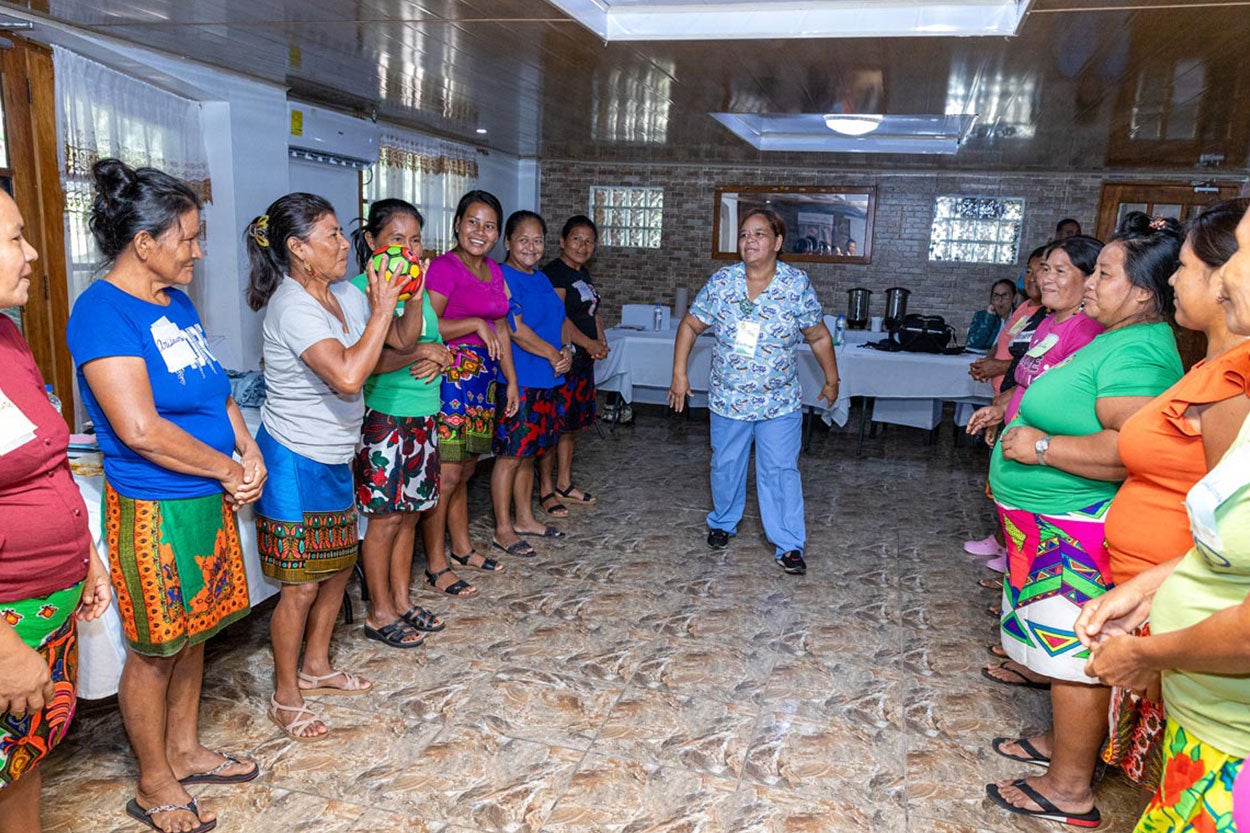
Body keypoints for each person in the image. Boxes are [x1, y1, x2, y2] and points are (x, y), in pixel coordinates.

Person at [67, 159, 262, 833]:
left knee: (196, 629)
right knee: (155, 646)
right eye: (188, 237)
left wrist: (248, 448)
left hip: (207, 494)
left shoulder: (175, 302)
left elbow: (215, 389)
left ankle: (184, 746)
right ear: (144, 242)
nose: (198, 250)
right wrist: (224, 468)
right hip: (154, 505)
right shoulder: (101, 312)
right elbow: (141, 429)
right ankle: (154, 779)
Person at [984, 216, 1185, 828]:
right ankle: (1064, 747)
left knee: (1076, 653)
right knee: (1056, 645)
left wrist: (1037, 448)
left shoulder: (1138, 351)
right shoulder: (1112, 337)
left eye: (1104, 273)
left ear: (1146, 291)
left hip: (1074, 528)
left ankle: (1070, 787)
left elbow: (1130, 448)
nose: (1090, 282)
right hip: (1049, 526)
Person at [1075, 201, 1250, 833]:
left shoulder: (1232, 385)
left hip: (1225, 708)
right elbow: (1225, 527)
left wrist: (1155, 654)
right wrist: (1152, 589)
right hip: (1199, 680)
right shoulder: (1213, 369)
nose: (1175, 280)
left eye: (1182, 267)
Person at [244, 192, 407, 738]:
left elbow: (385, 347)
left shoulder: (341, 295)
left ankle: (316, 666)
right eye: (332, 235)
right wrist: (382, 308)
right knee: (301, 585)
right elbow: (346, 375)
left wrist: (404, 293)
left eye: (342, 233)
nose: (344, 244)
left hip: (337, 453)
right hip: (293, 456)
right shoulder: (292, 305)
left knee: (338, 567)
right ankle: (286, 694)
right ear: (297, 249)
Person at [0, 186, 111, 833]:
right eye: (15, 237)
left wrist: (85, 552)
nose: (34, 252)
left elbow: (46, 456)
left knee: (20, 763)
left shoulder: (9, 338)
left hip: (48, 603)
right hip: (9, 624)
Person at [667, 208, 840, 576]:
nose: (749, 241)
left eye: (759, 234)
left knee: (779, 470)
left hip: (779, 400)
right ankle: (723, 522)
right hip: (728, 398)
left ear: (777, 242)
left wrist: (832, 378)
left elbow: (819, 335)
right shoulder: (722, 282)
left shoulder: (795, 285)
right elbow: (689, 326)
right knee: (726, 465)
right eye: (744, 234)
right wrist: (679, 375)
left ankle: (789, 543)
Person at [965, 237, 1105, 576]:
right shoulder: (1048, 321)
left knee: (1045, 569)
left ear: (1089, 279)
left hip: (1049, 468)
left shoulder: (1085, 330)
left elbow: (1068, 401)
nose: (1046, 279)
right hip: (1020, 457)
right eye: (1045, 270)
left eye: (1059, 271)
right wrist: (1001, 409)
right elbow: (1028, 379)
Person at [348, 199, 453, 648]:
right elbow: (373, 360)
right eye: (397, 239)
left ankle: (402, 599)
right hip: (385, 416)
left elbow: (420, 338)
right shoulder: (359, 290)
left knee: (410, 517)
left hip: (422, 414)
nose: (409, 249)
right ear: (373, 242)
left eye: (415, 241)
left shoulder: (415, 286)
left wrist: (441, 353)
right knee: (385, 520)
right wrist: (423, 353)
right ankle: (379, 612)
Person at [421, 190, 518, 589]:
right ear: (457, 224)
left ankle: (462, 546)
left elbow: (500, 328)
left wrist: (511, 380)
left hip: (483, 381)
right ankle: (435, 563)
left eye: (489, 225)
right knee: (446, 475)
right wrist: (473, 325)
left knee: (465, 472)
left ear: (497, 235)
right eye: (472, 222)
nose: (480, 231)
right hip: (450, 381)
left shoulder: (494, 272)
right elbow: (427, 328)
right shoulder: (445, 268)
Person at [490, 211, 573, 555]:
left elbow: (560, 319)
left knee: (528, 454)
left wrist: (566, 349)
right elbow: (516, 329)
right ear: (507, 242)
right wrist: (555, 355)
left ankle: (524, 518)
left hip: (547, 381)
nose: (531, 247)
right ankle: (503, 528)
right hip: (519, 379)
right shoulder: (503, 276)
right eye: (523, 239)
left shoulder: (540, 278)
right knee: (510, 456)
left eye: (538, 240)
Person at [538, 216, 607, 517]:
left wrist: (600, 340)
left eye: (589, 240)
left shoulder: (584, 274)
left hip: (582, 363)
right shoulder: (555, 273)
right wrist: (588, 344)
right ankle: (545, 490)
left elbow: (593, 311)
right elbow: (560, 320)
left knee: (572, 426)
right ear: (563, 241)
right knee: (554, 427)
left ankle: (564, 483)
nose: (583, 245)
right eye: (576, 239)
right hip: (562, 361)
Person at [969, 247, 1046, 394]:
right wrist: (988, 362)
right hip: (1001, 395)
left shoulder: (1049, 313)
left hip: (1020, 396)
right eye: (1029, 271)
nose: (1032, 278)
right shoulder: (1024, 307)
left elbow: (1043, 362)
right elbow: (1004, 339)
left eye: (1041, 271)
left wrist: (999, 366)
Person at [966, 278, 1017, 351]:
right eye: (996, 296)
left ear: (1014, 298)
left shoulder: (1021, 317)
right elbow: (971, 345)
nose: (1000, 300)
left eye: (1005, 295)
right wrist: (988, 319)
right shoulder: (981, 316)